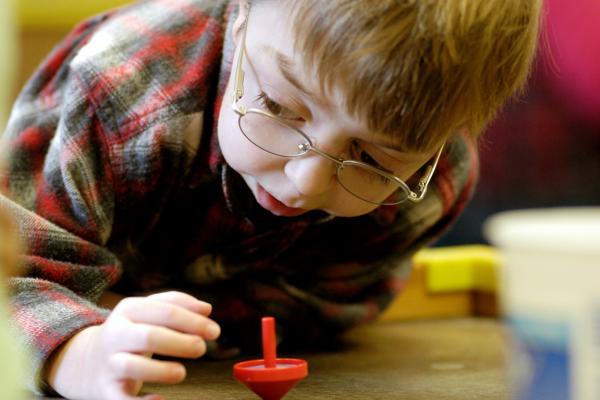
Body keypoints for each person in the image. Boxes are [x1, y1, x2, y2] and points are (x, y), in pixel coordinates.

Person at [0, 0, 541, 399]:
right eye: (280, 108)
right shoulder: (122, 89)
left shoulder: (432, 182)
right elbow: (12, 277)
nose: (306, 181)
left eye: (372, 160)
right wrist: (80, 350)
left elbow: (333, 303)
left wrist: (179, 323)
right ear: (240, 15)